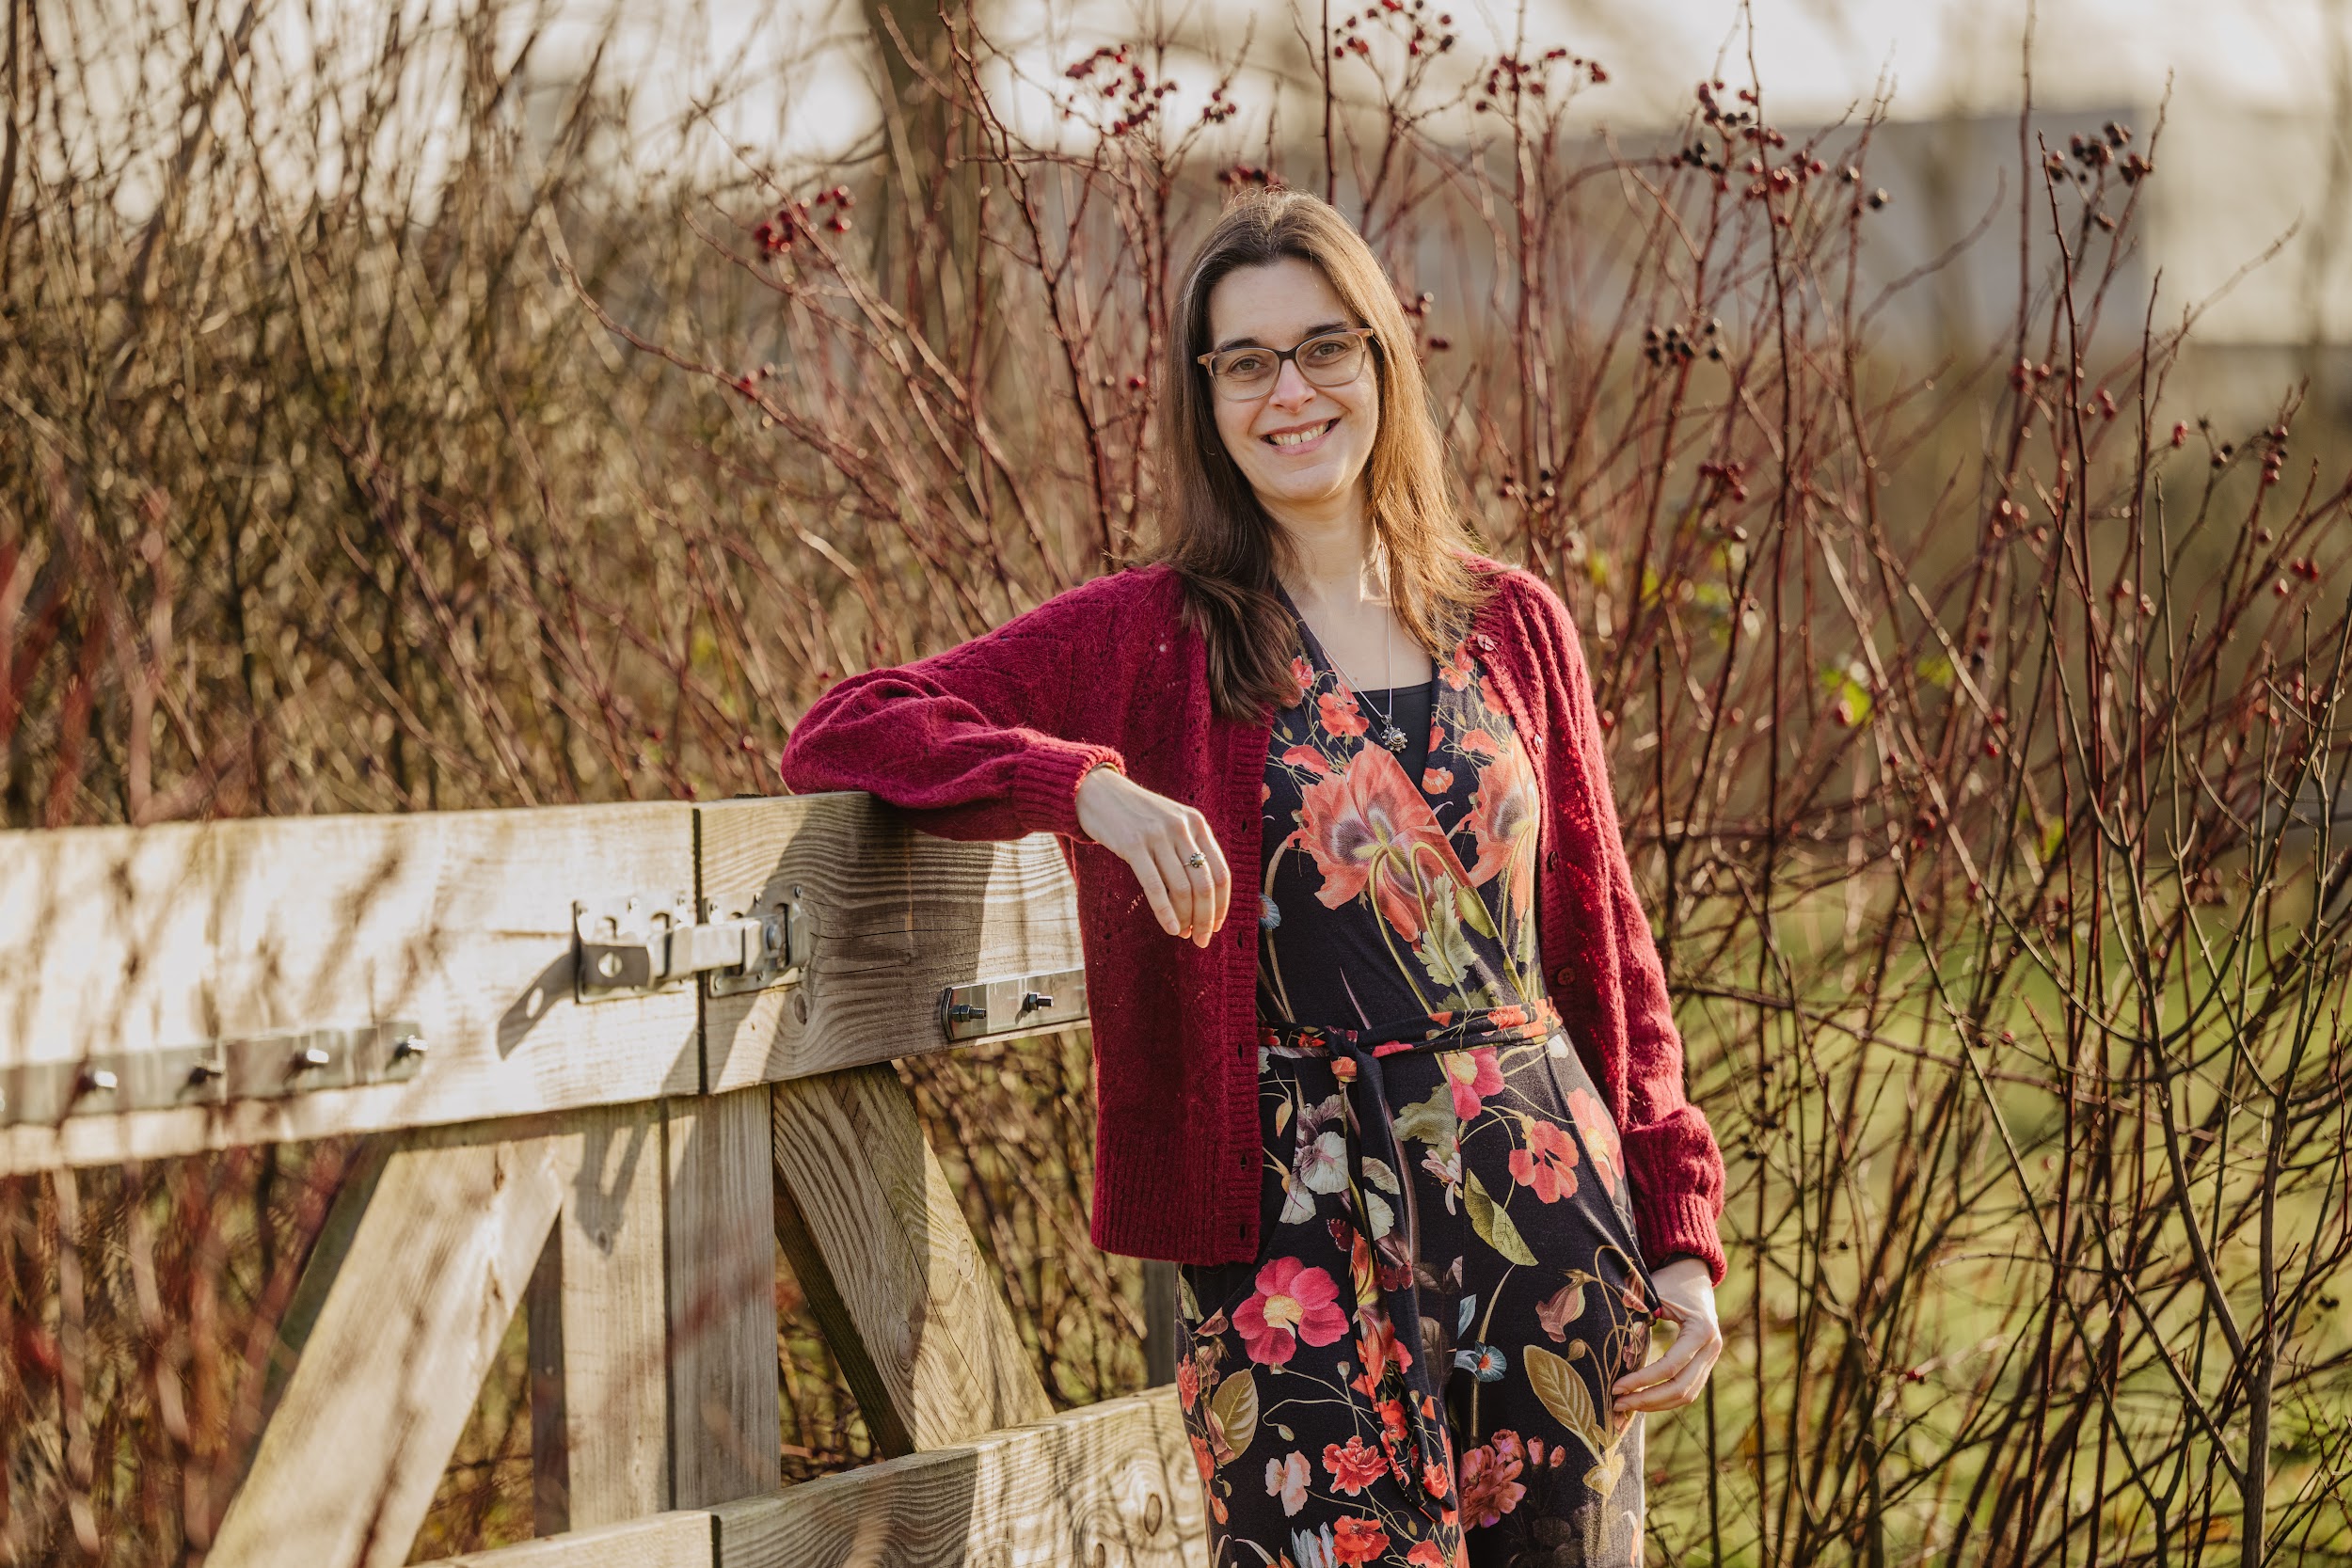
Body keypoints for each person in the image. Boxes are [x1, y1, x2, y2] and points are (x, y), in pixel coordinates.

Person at [778, 187, 1724, 1568]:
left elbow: (1610, 956)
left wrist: (1682, 1229)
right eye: (1247, 362)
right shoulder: (1150, 637)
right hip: (1292, 1230)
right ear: (1206, 400)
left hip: (1543, 1208)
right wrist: (1083, 786)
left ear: (1382, 363)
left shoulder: (1514, 624)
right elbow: (846, 725)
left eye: (1325, 347)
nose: (1292, 392)